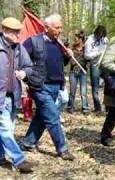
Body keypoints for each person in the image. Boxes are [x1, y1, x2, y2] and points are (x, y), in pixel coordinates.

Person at [22, 14, 75, 161]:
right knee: (53, 117)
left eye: (61, 27)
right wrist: (27, 76)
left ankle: (28, 142)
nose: (60, 30)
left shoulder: (59, 43)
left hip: (55, 86)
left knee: (41, 116)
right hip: (40, 86)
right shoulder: (33, 42)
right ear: (46, 27)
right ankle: (62, 149)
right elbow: (21, 59)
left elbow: (59, 64)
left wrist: (67, 56)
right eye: (57, 27)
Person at [0, 17, 36, 173]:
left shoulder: (19, 48)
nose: (18, 34)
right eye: (15, 31)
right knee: (6, 129)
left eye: (18, 31)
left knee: (7, 129)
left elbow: (29, 66)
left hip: (12, 96)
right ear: (5, 31)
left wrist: (24, 72)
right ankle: (19, 160)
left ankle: (0, 157)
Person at [84, 25, 108, 114]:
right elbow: (86, 55)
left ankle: (108, 107)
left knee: (109, 85)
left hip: (104, 65)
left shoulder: (105, 40)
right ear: (96, 34)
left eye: (102, 36)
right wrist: (97, 53)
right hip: (95, 65)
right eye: (99, 36)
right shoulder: (89, 41)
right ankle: (98, 108)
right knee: (95, 88)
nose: (101, 38)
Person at [67, 30, 90, 113]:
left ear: (81, 39)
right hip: (73, 72)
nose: (76, 39)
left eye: (78, 38)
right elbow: (70, 61)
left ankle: (85, 107)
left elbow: (87, 60)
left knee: (83, 92)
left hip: (83, 73)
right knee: (72, 91)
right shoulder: (71, 49)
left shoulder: (86, 49)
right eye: (76, 37)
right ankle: (70, 107)